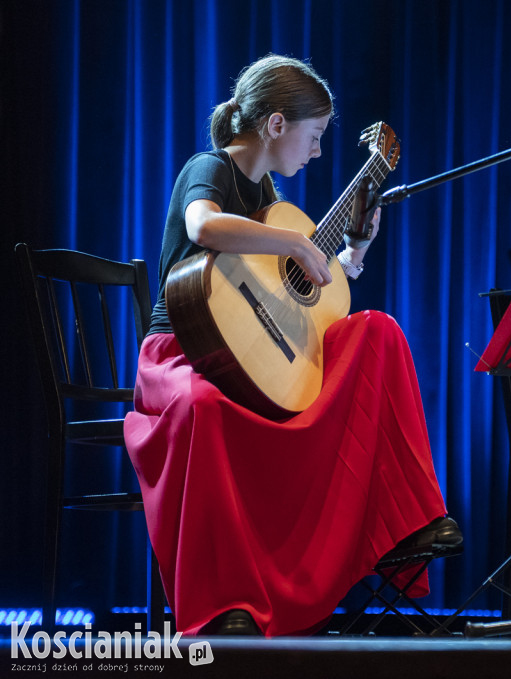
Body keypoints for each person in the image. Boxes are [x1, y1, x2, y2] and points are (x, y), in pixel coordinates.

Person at [124, 54, 460, 637]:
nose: (319, 151)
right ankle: (222, 605)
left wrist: (352, 250)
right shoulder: (210, 168)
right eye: (315, 135)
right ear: (276, 125)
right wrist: (295, 244)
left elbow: (308, 287)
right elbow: (204, 226)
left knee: (376, 331)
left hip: (244, 357)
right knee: (200, 408)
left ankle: (408, 523)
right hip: (179, 355)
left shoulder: (269, 195)